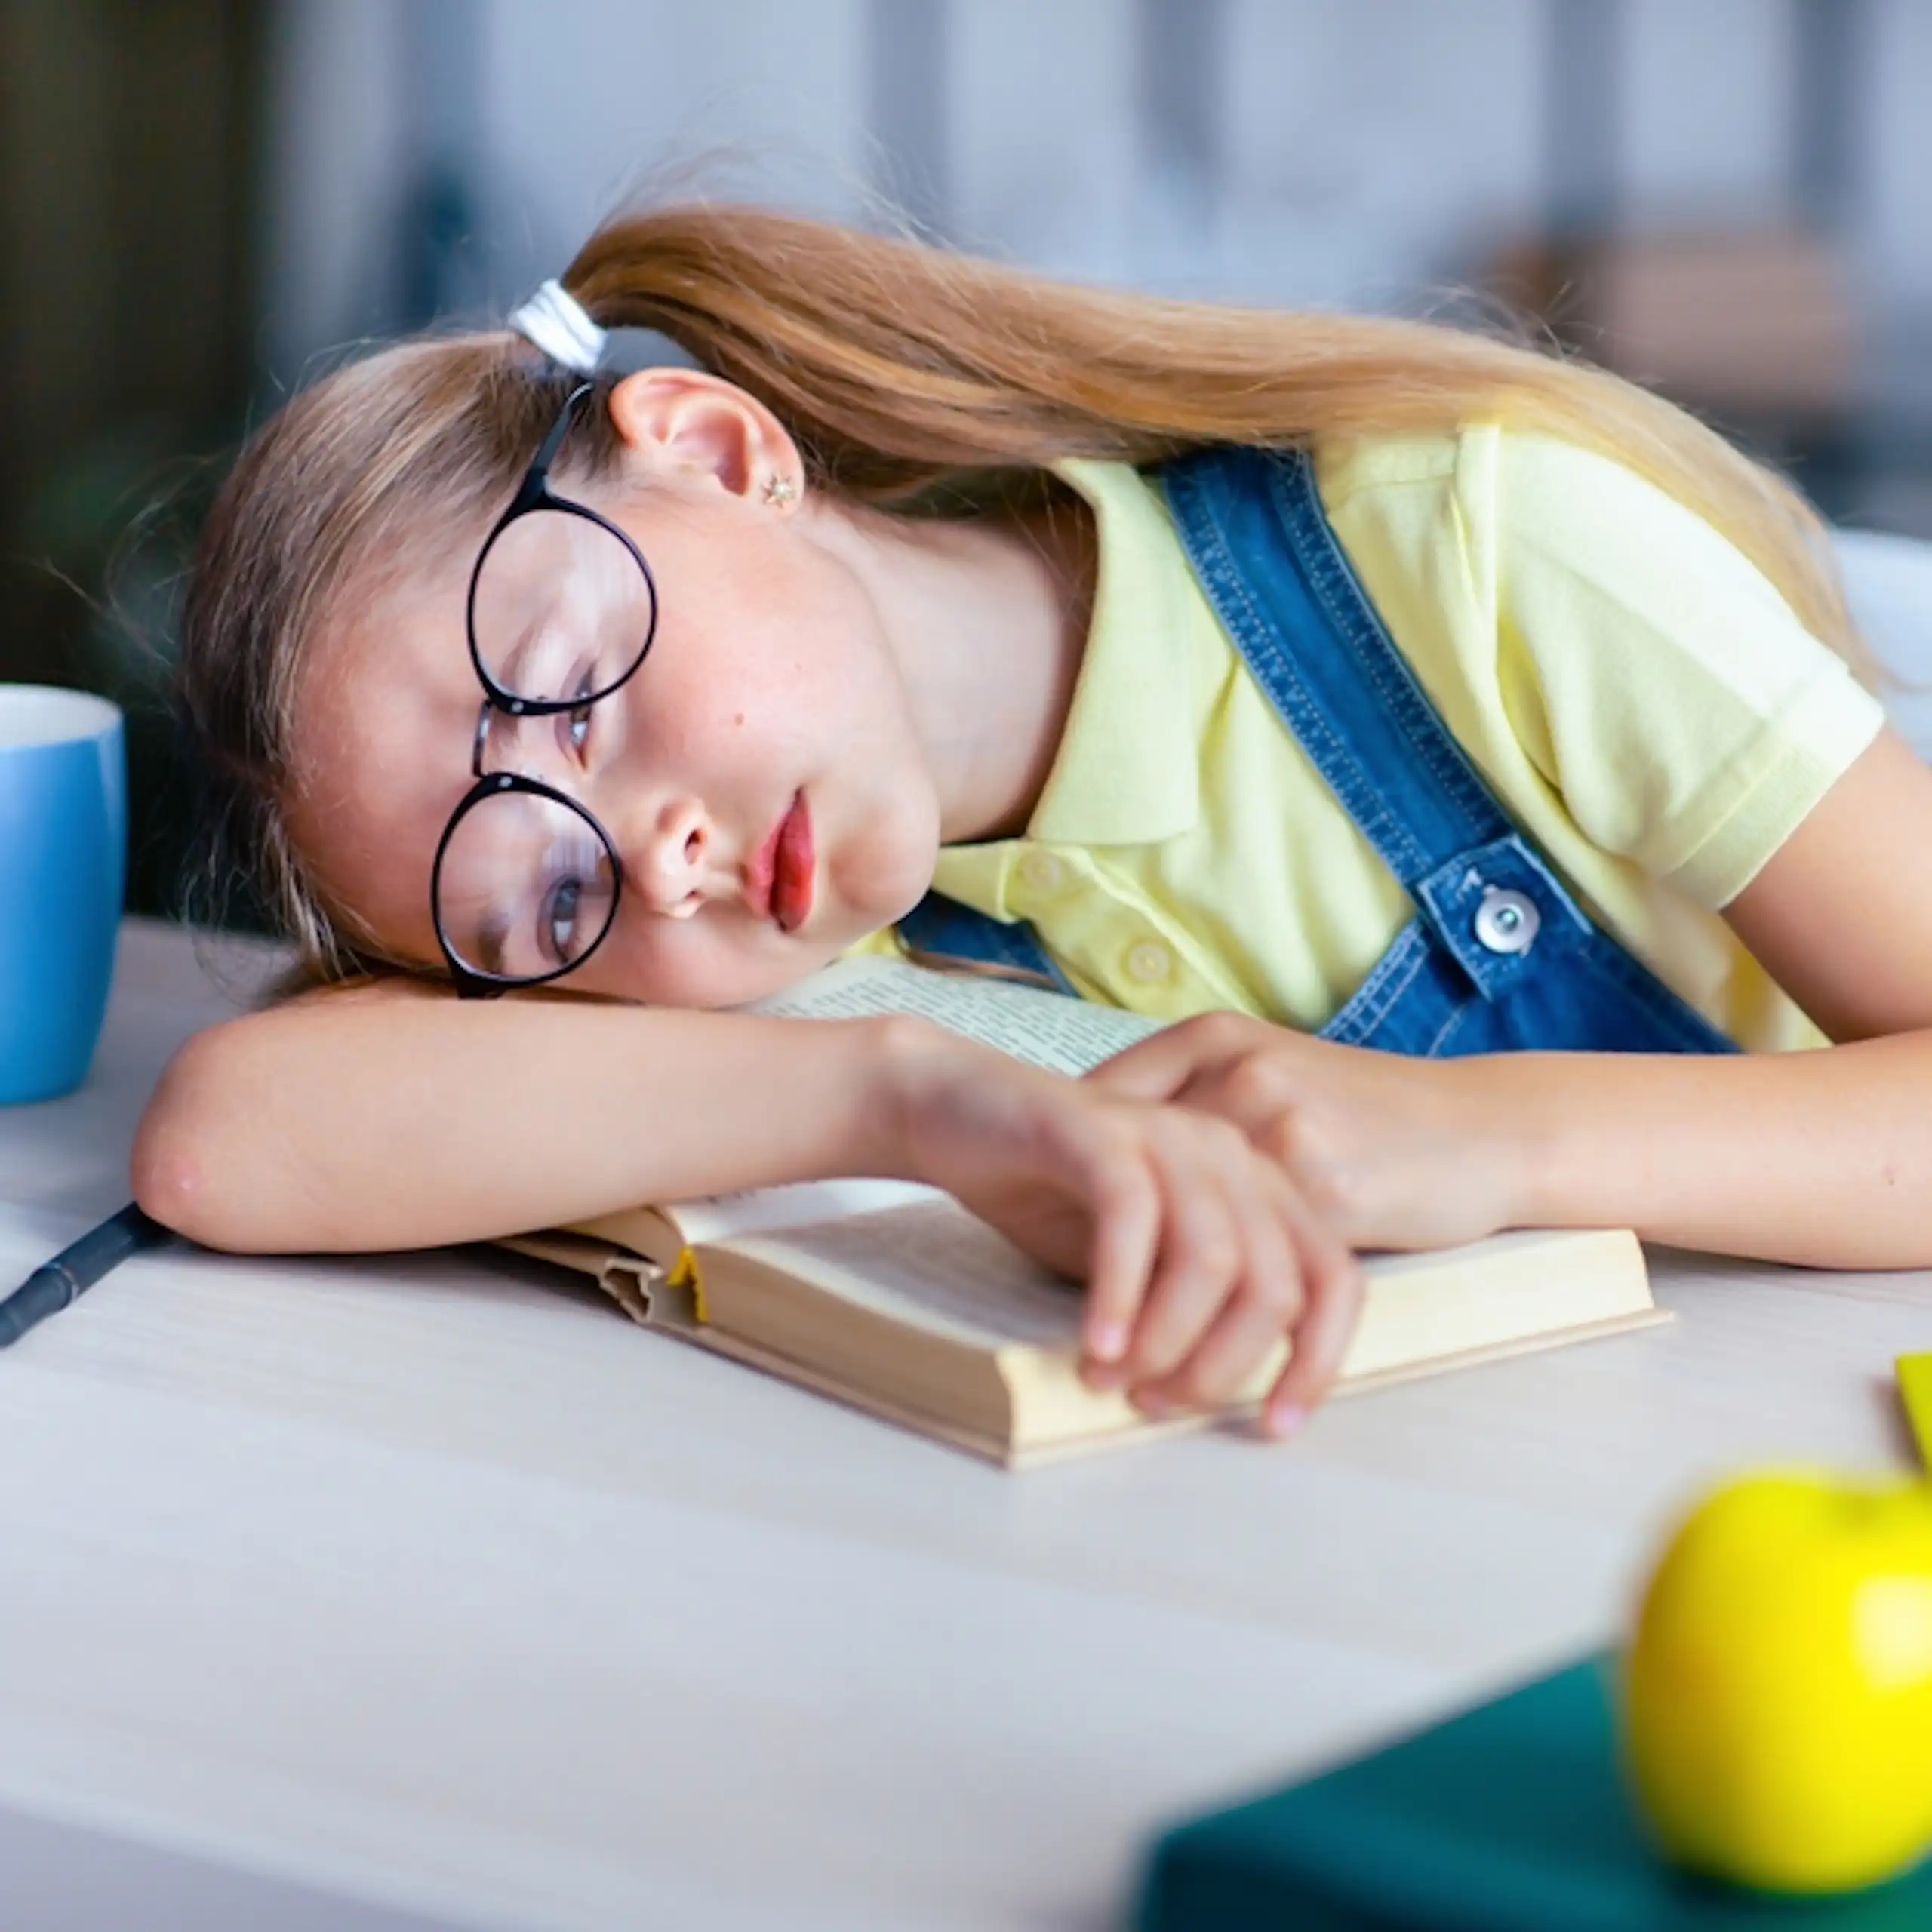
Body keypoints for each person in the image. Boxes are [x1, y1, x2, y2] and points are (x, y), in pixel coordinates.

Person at [133, 203, 1932, 1440]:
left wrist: (1486, 1137)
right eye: (545, 896)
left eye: (575, 688)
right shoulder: (854, 956)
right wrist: (908, 1092)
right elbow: (230, 1139)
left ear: (712, 444)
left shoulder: (1468, 546)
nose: (656, 856)